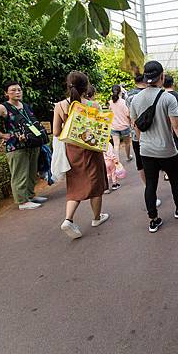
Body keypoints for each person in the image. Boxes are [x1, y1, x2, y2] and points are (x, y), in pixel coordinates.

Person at [129, 61, 178, 233]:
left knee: (150, 184)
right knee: (174, 181)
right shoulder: (168, 98)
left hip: (146, 151)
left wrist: (143, 142)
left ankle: (153, 220)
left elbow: (135, 125)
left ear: (146, 77)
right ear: (162, 76)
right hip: (167, 150)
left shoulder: (135, 99)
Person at [52, 71, 110, 239]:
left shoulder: (60, 106)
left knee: (75, 185)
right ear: (86, 87)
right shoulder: (93, 106)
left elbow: (56, 131)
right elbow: (100, 132)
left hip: (72, 151)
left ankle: (68, 219)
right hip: (91, 150)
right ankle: (96, 218)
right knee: (96, 184)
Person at [0, 81, 48, 210]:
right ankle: (22, 202)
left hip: (32, 143)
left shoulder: (25, 106)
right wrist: (2, 135)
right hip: (15, 145)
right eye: (13, 90)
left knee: (31, 172)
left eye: (19, 90)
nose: (17, 92)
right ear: (6, 93)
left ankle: (30, 195)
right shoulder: (3, 107)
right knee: (19, 173)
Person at [127, 74, 162, 207]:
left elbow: (130, 117)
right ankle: (152, 193)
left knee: (141, 164)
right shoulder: (153, 93)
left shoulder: (129, 95)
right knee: (155, 164)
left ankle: (148, 189)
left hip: (137, 136)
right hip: (155, 134)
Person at [109, 85, 133, 163]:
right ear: (120, 92)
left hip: (114, 127)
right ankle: (128, 157)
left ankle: (117, 161)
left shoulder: (110, 102)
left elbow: (110, 112)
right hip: (124, 126)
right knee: (127, 143)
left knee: (116, 144)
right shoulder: (123, 102)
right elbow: (128, 114)